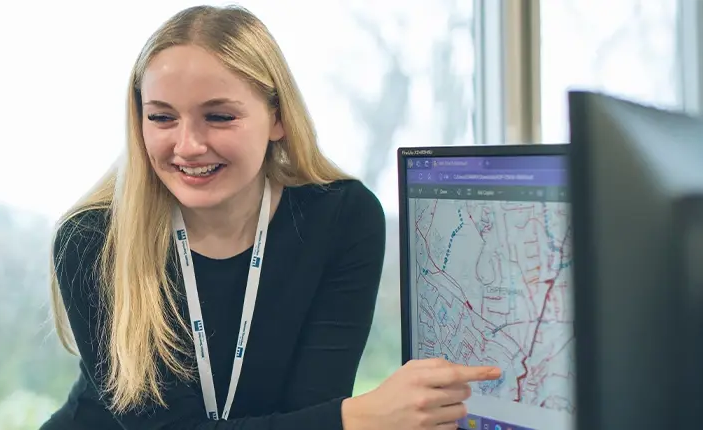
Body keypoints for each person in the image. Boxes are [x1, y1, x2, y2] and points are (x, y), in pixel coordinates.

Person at [41, 5, 500, 430]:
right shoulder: (92, 237)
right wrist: (359, 418)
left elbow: (312, 405)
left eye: (218, 116)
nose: (188, 146)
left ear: (277, 118)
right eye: (162, 118)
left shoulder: (343, 218)